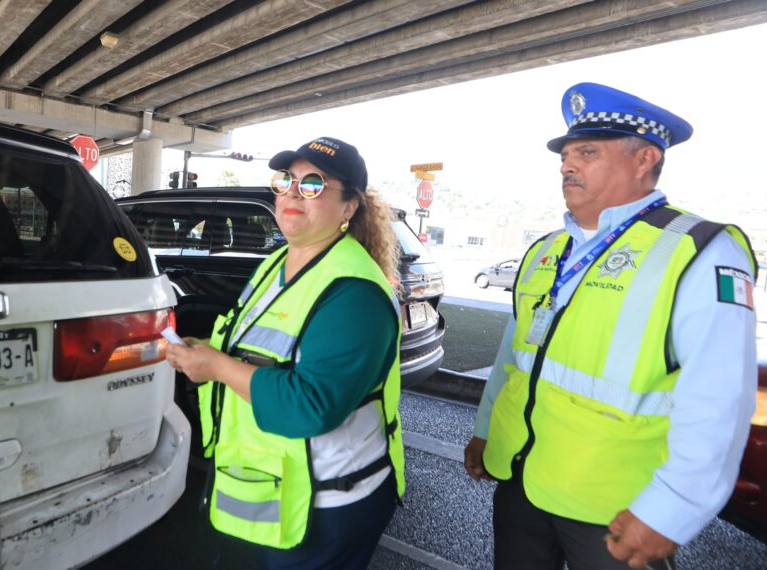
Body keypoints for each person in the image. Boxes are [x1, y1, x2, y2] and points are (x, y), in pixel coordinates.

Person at [463, 83, 758, 569]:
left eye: (587, 152)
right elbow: (512, 359)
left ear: (645, 159)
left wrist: (674, 509)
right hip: (520, 478)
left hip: (615, 504)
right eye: (565, 155)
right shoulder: (545, 250)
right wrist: (484, 430)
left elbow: (720, 397)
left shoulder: (699, 249)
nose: (566, 165)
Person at [165, 137, 406, 569]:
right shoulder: (276, 263)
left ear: (349, 207)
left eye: (313, 185)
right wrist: (208, 352)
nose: (293, 193)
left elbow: (311, 406)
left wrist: (217, 367)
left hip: (326, 503)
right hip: (269, 484)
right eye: (286, 181)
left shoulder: (354, 293)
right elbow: (259, 349)